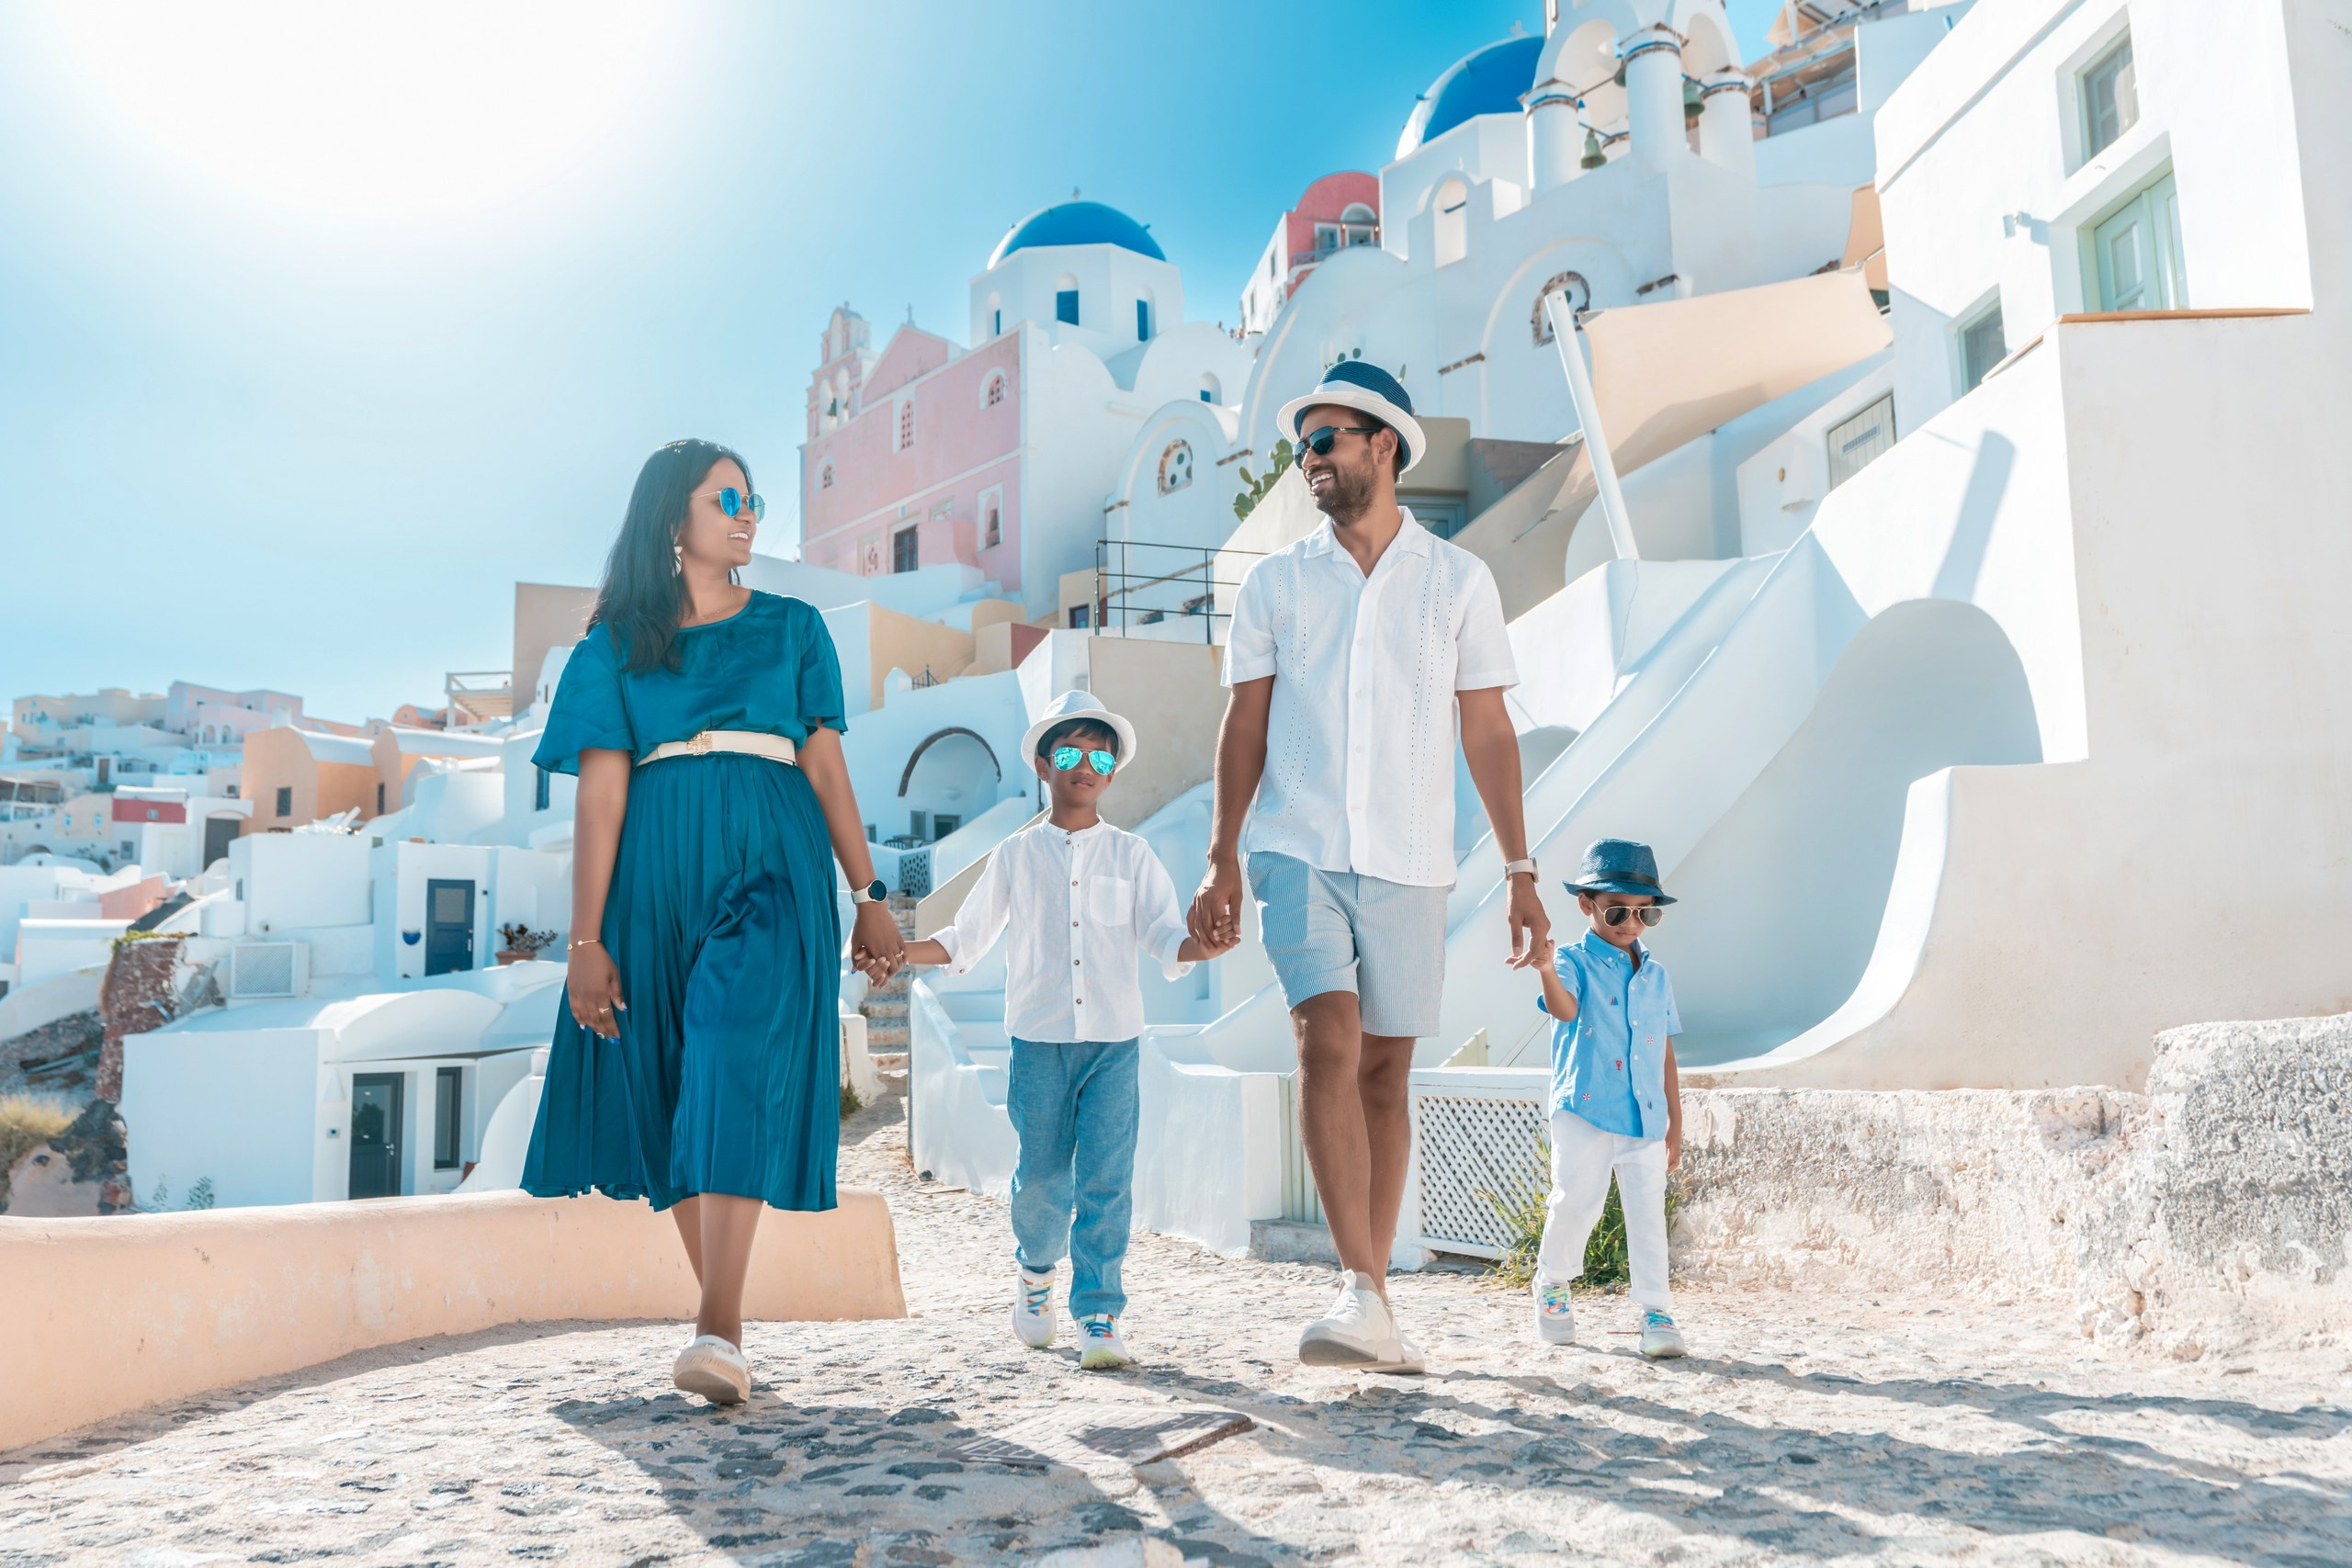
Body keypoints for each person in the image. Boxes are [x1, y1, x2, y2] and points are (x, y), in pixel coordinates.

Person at [521, 438, 904, 1406]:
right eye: (724, 497)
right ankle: (721, 1321)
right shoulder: (611, 648)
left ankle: (718, 1326)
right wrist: (586, 940)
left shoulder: (793, 628)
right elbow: (599, 799)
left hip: (772, 856)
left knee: (734, 1054)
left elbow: (824, 764)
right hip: (652, 871)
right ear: (671, 520)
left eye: (753, 498)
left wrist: (868, 895)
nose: (747, 512)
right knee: (671, 1090)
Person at [1187, 360, 1551, 1374]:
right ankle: (1354, 1286)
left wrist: (1520, 869)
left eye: (1325, 440)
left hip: (1410, 856)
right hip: (1293, 846)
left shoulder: (1457, 580)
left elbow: (1486, 727)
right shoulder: (1274, 582)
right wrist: (1221, 857)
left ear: (1382, 444)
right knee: (1326, 1040)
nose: (1309, 460)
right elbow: (1243, 722)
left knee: (1388, 1070)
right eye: (1305, 444)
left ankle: (1377, 1300)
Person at [902, 693, 1234, 1370]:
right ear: (1043, 764)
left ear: (1112, 773)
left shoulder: (1134, 856)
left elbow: (1167, 940)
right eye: (1071, 751)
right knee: (1043, 1181)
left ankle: (1099, 1312)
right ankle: (1033, 1274)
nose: (1087, 763)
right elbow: (965, 939)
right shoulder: (1015, 857)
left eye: (1100, 753)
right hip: (1039, 1045)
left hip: (1114, 1044)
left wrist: (1209, 947)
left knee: (1107, 1180)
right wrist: (896, 953)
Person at [1529, 839, 1687, 1359]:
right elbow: (1566, 1012)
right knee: (1576, 1202)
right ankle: (1552, 1283)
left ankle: (1655, 1311)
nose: (1631, 924)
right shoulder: (1572, 961)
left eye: (1646, 914)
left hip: (1646, 1117)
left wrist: (1675, 1124)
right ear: (1587, 905)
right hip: (1586, 1111)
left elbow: (1663, 1051)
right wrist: (1547, 968)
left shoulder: (1657, 976)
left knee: (1648, 1216)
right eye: (1618, 910)